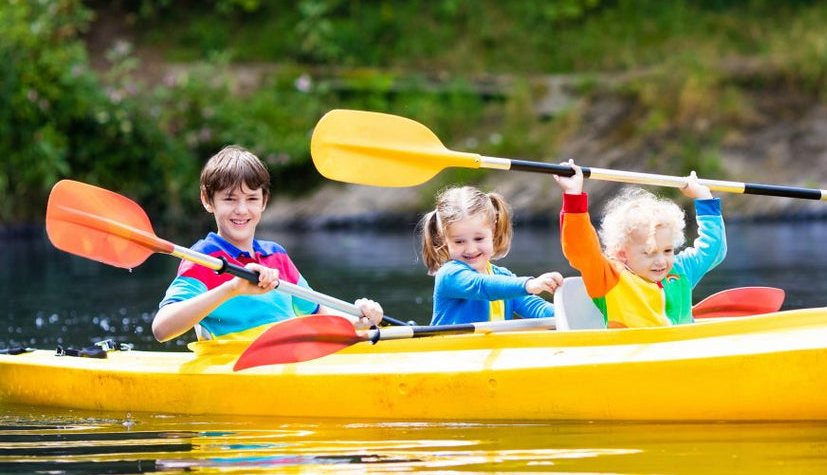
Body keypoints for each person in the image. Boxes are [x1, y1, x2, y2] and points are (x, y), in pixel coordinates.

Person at [152, 145, 383, 342]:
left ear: (264, 202)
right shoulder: (204, 258)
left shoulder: (276, 255)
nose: (241, 210)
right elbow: (161, 329)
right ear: (207, 200)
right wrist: (232, 288)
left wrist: (358, 319)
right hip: (233, 368)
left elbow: (317, 310)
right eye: (229, 199)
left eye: (252, 198)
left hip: (289, 359)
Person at [553, 160, 726, 328]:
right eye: (649, 253)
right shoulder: (609, 277)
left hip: (680, 349)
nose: (661, 261)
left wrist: (704, 198)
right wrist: (573, 195)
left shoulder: (681, 270)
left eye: (667, 250)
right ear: (622, 253)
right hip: (632, 353)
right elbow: (581, 249)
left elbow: (713, 249)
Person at [418, 185, 564, 326]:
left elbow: (537, 309)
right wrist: (529, 284)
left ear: (493, 232)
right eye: (459, 241)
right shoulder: (449, 275)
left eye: (479, 239)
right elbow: (481, 286)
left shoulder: (504, 277)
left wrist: (568, 313)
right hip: (452, 351)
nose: (470, 249)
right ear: (444, 239)